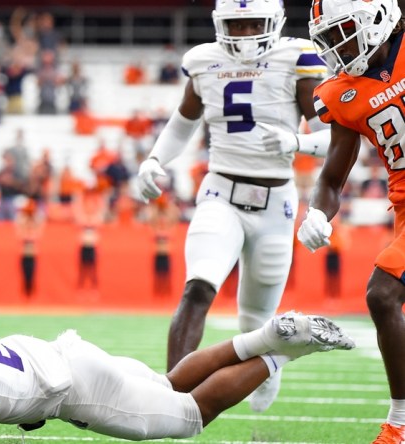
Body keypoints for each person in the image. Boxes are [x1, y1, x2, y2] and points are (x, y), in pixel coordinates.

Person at [0, 292, 355, 444]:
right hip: (70, 354)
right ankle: (265, 338)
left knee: (191, 416)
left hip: (80, 391)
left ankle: (283, 348)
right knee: (166, 385)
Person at [135, 0, 332, 412]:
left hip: (276, 200)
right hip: (219, 192)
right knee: (198, 288)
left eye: (251, 24)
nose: (243, 34)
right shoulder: (203, 60)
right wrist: (154, 159)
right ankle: (173, 396)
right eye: (235, 24)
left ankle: (262, 375)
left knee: (255, 319)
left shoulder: (295, 59)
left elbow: (334, 137)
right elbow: (183, 121)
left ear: (273, 22)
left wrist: (297, 141)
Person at [299, 0, 405, 441]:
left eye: (343, 31)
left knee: (382, 293)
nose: (337, 46)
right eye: (328, 37)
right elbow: (331, 179)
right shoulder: (341, 94)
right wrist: (316, 212)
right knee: (383, 295)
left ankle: (399, 425)